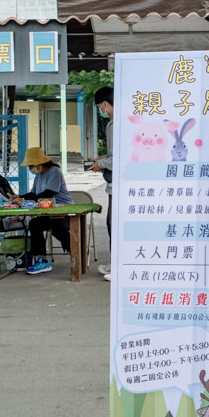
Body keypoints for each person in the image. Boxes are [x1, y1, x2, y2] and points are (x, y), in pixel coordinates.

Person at [11, 146, 73, 275]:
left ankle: (75, 251)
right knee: (36, 225)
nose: (30, 169)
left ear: (39, 163)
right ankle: (43, 259)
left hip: (63, 212)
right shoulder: (39, 176)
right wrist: (20, 196)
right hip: (49, 213)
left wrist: (24, 201)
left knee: (53, 228)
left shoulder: (54, 172)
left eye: (30, 165)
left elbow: (48, 193)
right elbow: (34, 193)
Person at [89, 86, 114, 281]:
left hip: (120, 185)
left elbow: (118, 159)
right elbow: (113, 155)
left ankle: (120, 268)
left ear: (105, 104)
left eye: (100, 106)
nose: (101, 110)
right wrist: (102, 158)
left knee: (114, 224)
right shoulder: (118, 123)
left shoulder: (115, 125)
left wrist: (102, 163)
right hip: (116, 184)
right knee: (111, 223)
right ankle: (116, 264)